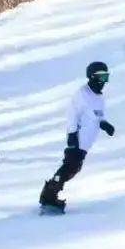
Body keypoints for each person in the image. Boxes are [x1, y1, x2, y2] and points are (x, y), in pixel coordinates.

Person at [39, 61, 116, 213]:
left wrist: (105, 124)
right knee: (70, 167)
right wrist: (72, 134)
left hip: (86, 142)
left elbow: (98, 116)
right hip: (78, 139)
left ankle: (50, 193)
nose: (103, 82)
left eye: (106, 78)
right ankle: (49, 195)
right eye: (101, 77)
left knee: (73, 167)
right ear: (92, 77)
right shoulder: (82, 94)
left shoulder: (99, 97)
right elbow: (72, 114)